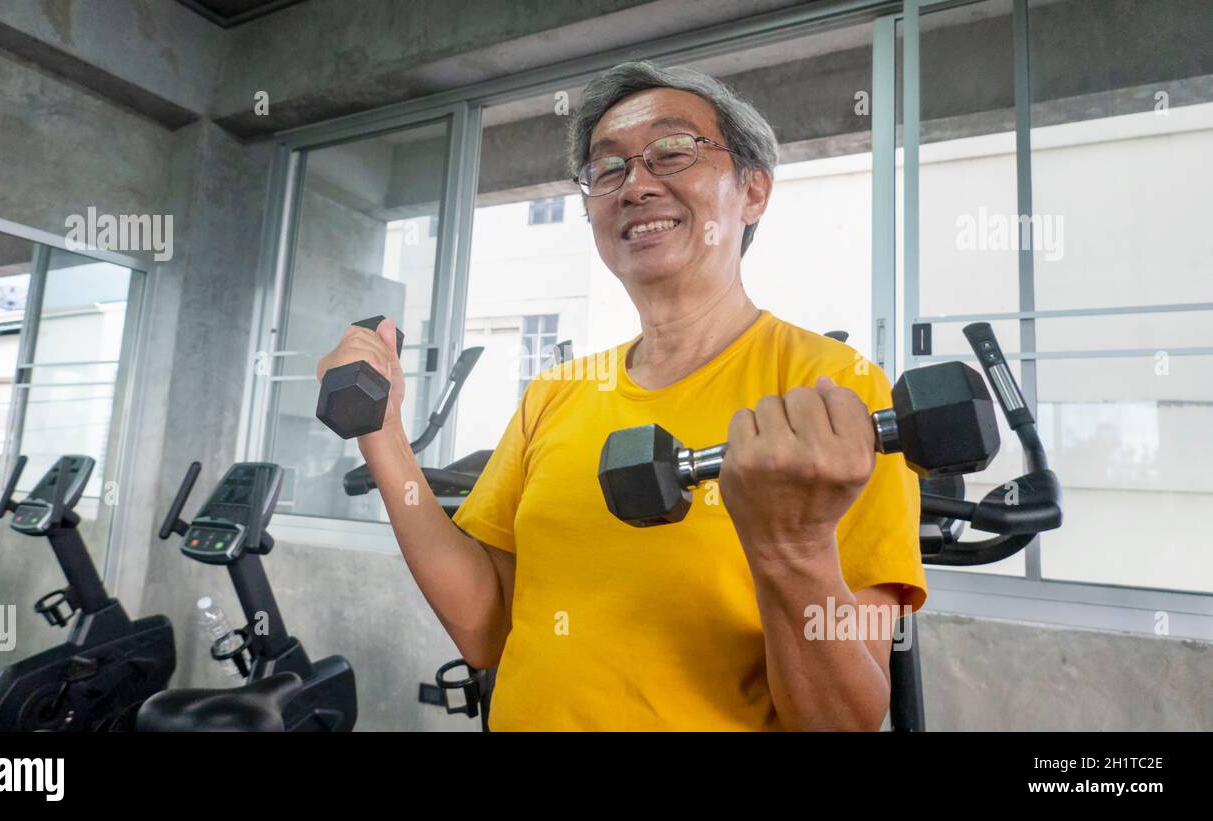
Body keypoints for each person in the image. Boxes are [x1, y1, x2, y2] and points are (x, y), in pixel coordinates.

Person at [317, 60, 925, 731]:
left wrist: (793, 549)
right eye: (608, 170)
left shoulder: (837, 391)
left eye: (672, 152)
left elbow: (842, 722)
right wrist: (382, 432)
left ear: (752, 192)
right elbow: (485, 626)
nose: (635, 185)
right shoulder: (557, 393)